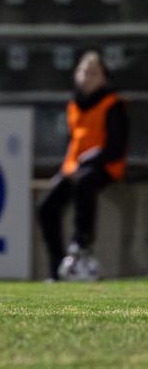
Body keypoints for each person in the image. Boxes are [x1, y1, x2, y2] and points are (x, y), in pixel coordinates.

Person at [38, 50, 128, 281]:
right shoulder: (74, 106)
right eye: (84, 73)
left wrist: (88, 161)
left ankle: (81, 244)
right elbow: (72, 143)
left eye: (94, 74)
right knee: (47, 206)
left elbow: (115, 147)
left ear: (104, 78)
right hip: (74, 168)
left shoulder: (112, 104)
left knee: (86, 183)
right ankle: (57, 267)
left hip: (103, 167)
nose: (87, 78)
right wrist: (69, 168)